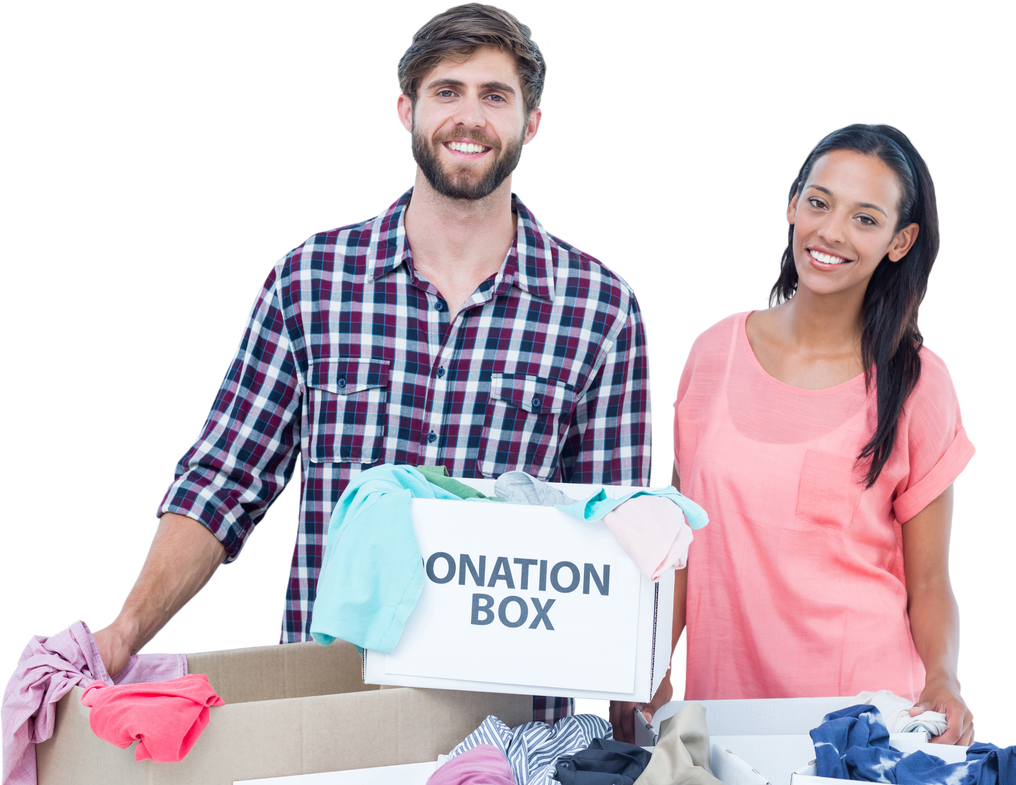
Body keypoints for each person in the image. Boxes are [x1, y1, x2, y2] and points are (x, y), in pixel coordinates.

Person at [91, 0, 653, 726]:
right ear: (404, 109)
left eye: (495, 96)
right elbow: (222, 481)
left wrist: (642, 732)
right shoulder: (309, 279)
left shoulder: (600, 308)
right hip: (330, 714)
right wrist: (123, 632)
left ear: (532, 124)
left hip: (512, 728)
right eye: (446, 91)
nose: (469, 117)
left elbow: (619, 539)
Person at [611, 121, 977, 745]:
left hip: (862, 724)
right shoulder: (713, 351)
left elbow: (928, 579)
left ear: (900, 240)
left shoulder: (920, 382)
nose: (831, 233)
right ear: (792, 205)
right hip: (719, 718)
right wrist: (648, 674)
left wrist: (944, 679)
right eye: (819, 203)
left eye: (866, 218)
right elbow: (679, 546)